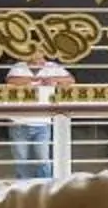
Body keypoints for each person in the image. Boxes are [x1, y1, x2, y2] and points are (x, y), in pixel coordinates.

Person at [5, 52, 70, 180]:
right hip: (19, 122)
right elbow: (10, 80)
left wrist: (54, 79)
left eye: (39, 50)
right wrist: (37, 80)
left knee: (43, 159)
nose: (36, 54)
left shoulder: (53, 67)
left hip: (43, 122)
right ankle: (23, 189)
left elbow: (70, 80)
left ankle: (45, 188)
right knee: (21, 160)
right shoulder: (19, 66)